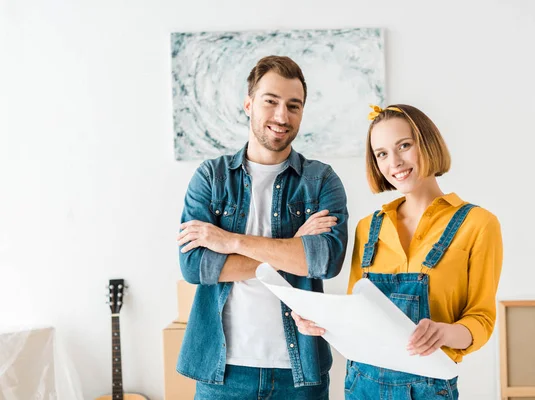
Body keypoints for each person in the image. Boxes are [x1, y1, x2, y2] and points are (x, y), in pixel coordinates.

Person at [292, 104, 503, 399]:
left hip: (430, 389)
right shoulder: (368, 228)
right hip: (361, 386)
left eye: (404, 146)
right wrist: (321, 322)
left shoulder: (478, 224)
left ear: (427, 143)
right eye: (382, 154)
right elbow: (359, 317)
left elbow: (481, 319)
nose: (395, 162)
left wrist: (443, 333)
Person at [176, 55, 348, 400]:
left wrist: (229, 241)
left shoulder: (321, 181)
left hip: (300, 373)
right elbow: (195, 267)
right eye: (271, 101)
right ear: (249, 104)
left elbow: (325, 263)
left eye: (293, 106)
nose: (282, 116)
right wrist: (291, 250)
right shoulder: (211, 178)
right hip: (222, 372)